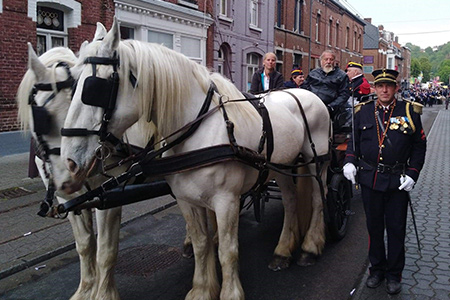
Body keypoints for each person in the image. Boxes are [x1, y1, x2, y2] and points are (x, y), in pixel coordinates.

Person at [343, 68, 427, 295]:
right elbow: (354, 141)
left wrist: (413, 173)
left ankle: (394, 274)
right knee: (374, 228)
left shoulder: (409, 111)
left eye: (389, 86)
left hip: (397, 182)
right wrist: (349, 161)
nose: (384, 90)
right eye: (380, 86)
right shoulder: (363, 111)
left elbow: (419, 146)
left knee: (397, 229)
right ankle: (377, 270)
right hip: (371, 180)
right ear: (374, 88)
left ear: (396, 88)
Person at [301, 50, 350, 117]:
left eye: (331, 59)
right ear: (321, 61)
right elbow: (305, 88)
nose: (328, 62)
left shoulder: (342, 76)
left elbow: (344, 95)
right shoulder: (313, 73)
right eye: (326, 59)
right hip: (311, 106)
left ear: (334, 61)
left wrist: (331, 107)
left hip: (331, 109)